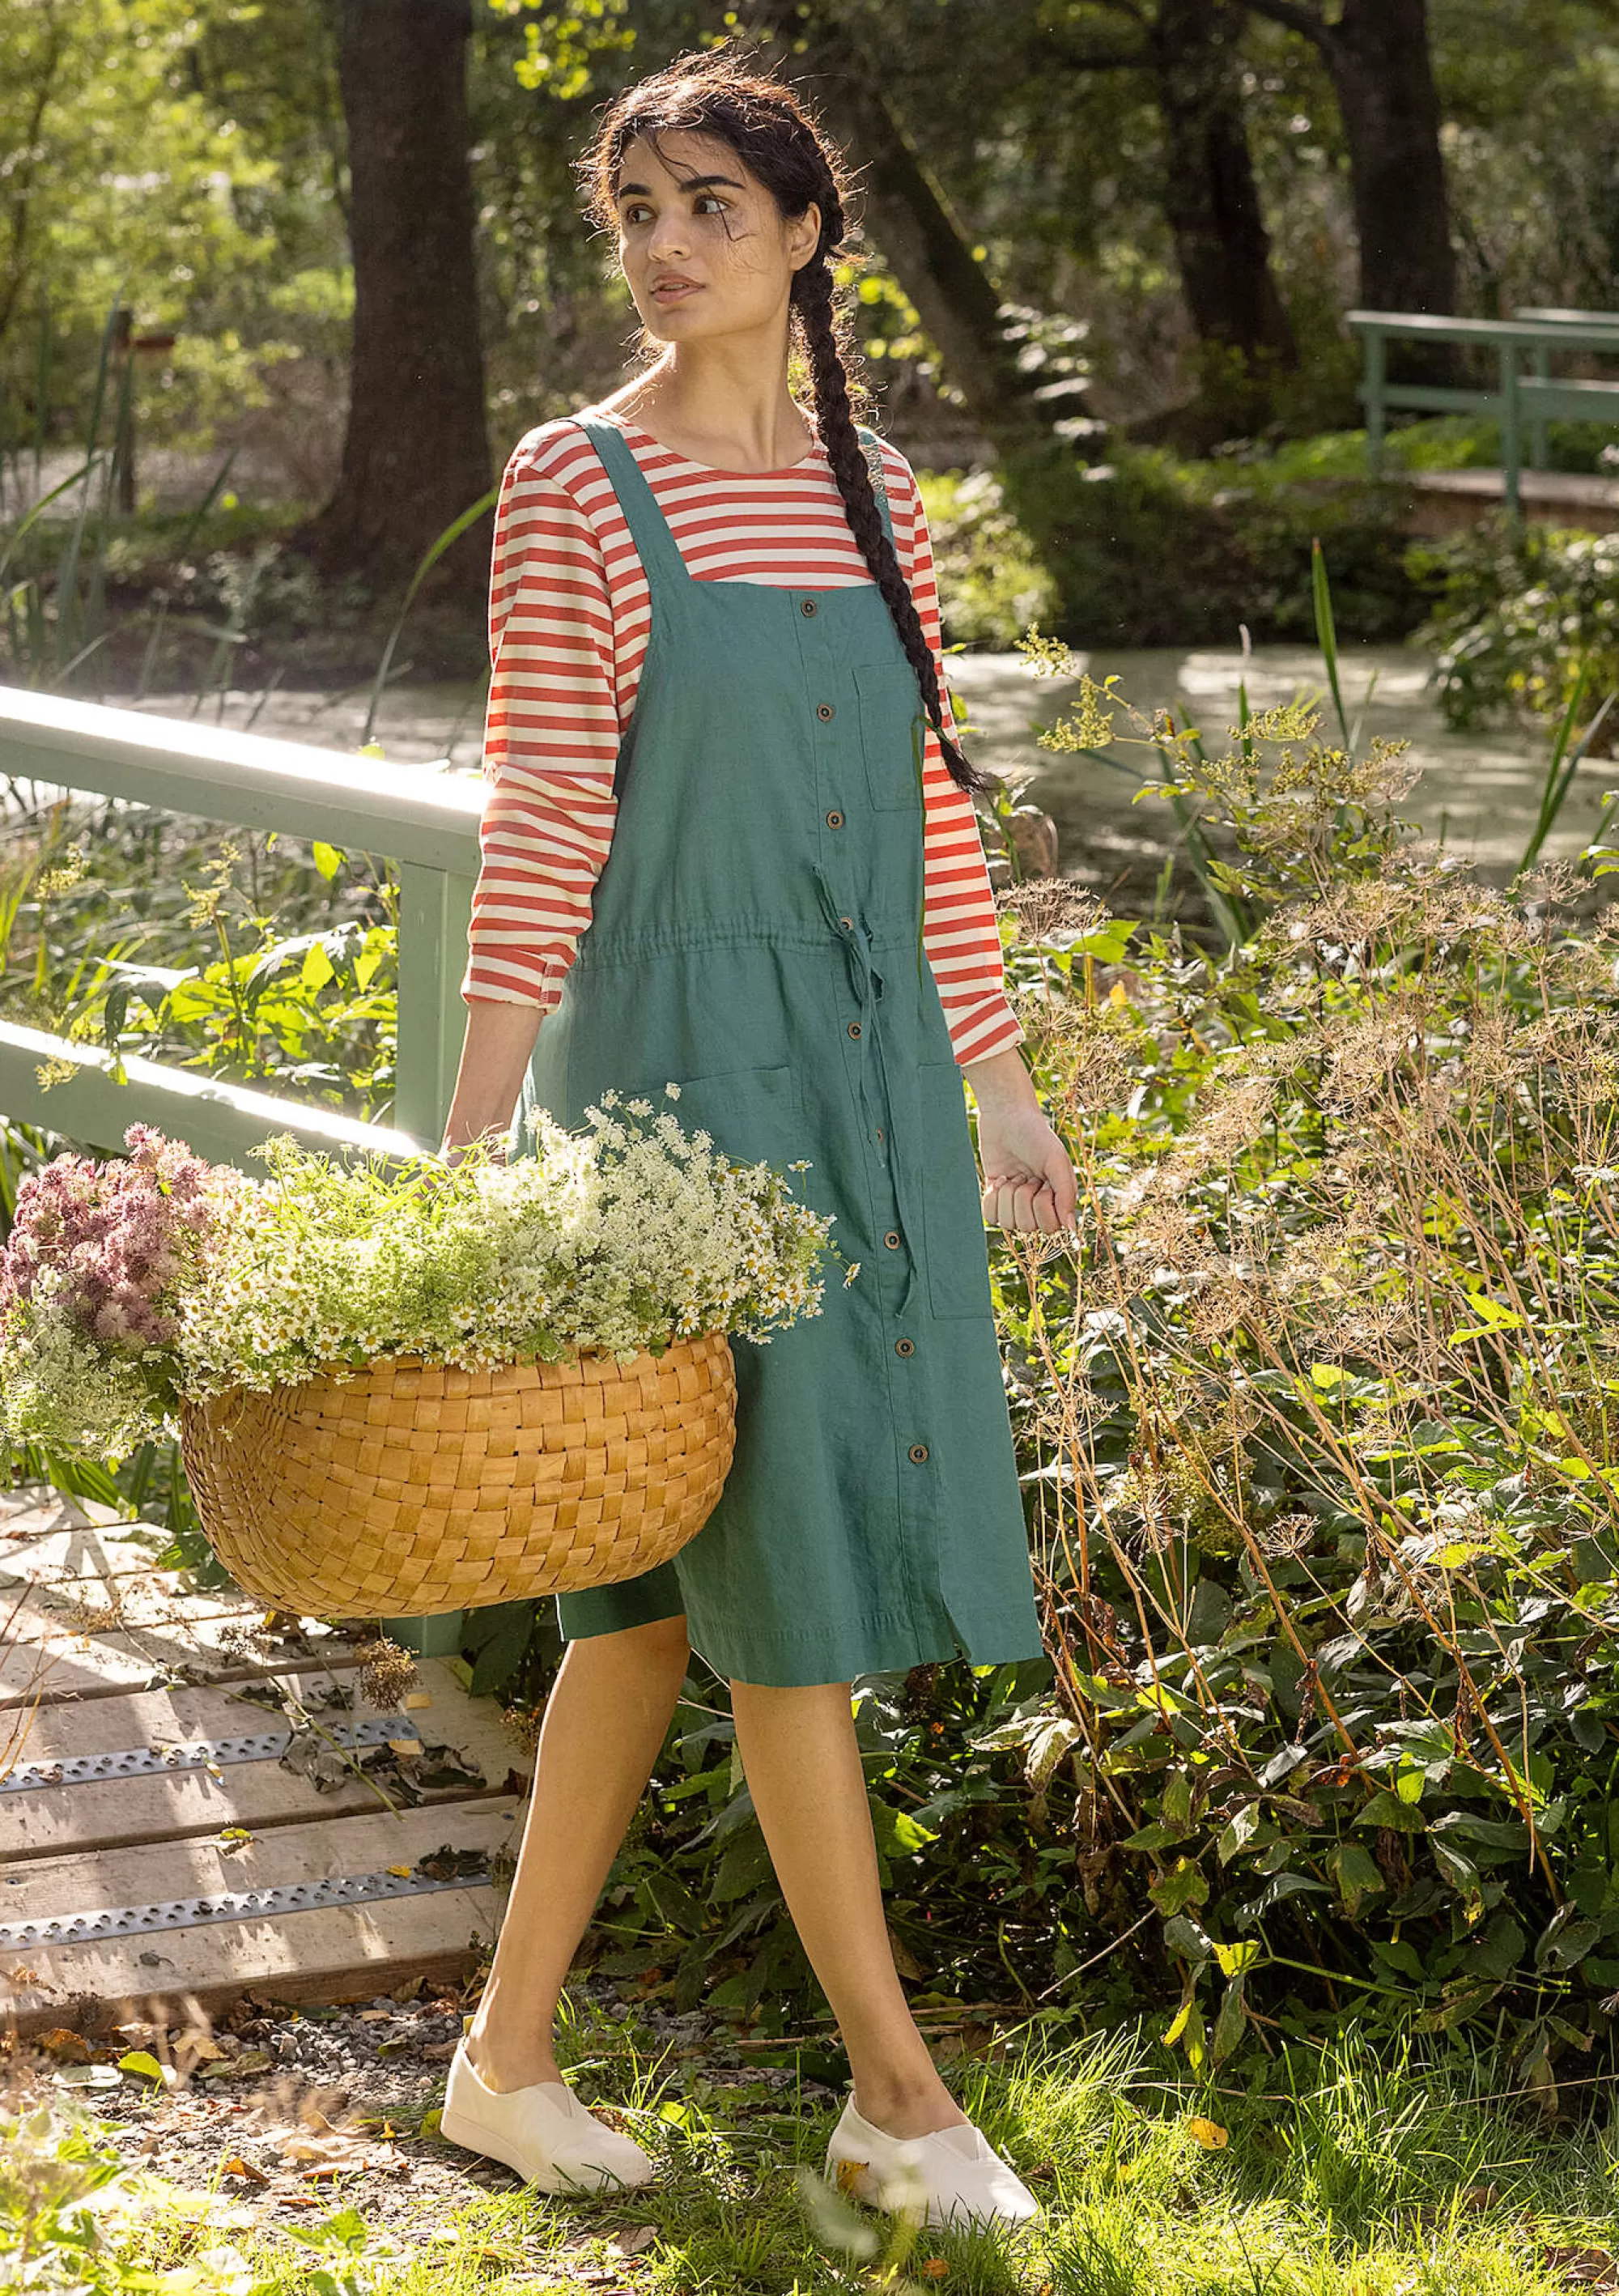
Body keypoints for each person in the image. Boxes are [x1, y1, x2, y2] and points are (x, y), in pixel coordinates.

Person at [434, 49, 1077, 2231]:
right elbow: (544, 817)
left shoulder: (878, 484)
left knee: (645, 1602)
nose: (666, 243)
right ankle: (898, 2101)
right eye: (634, 210)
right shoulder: (570, 484)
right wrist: (476, 1132)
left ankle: (502, 2058)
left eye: (711, 201)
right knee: (784, 1585)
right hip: (680, 1084)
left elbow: (927, 811)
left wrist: (997, 1079)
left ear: (805, 234)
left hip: (873, 1072)